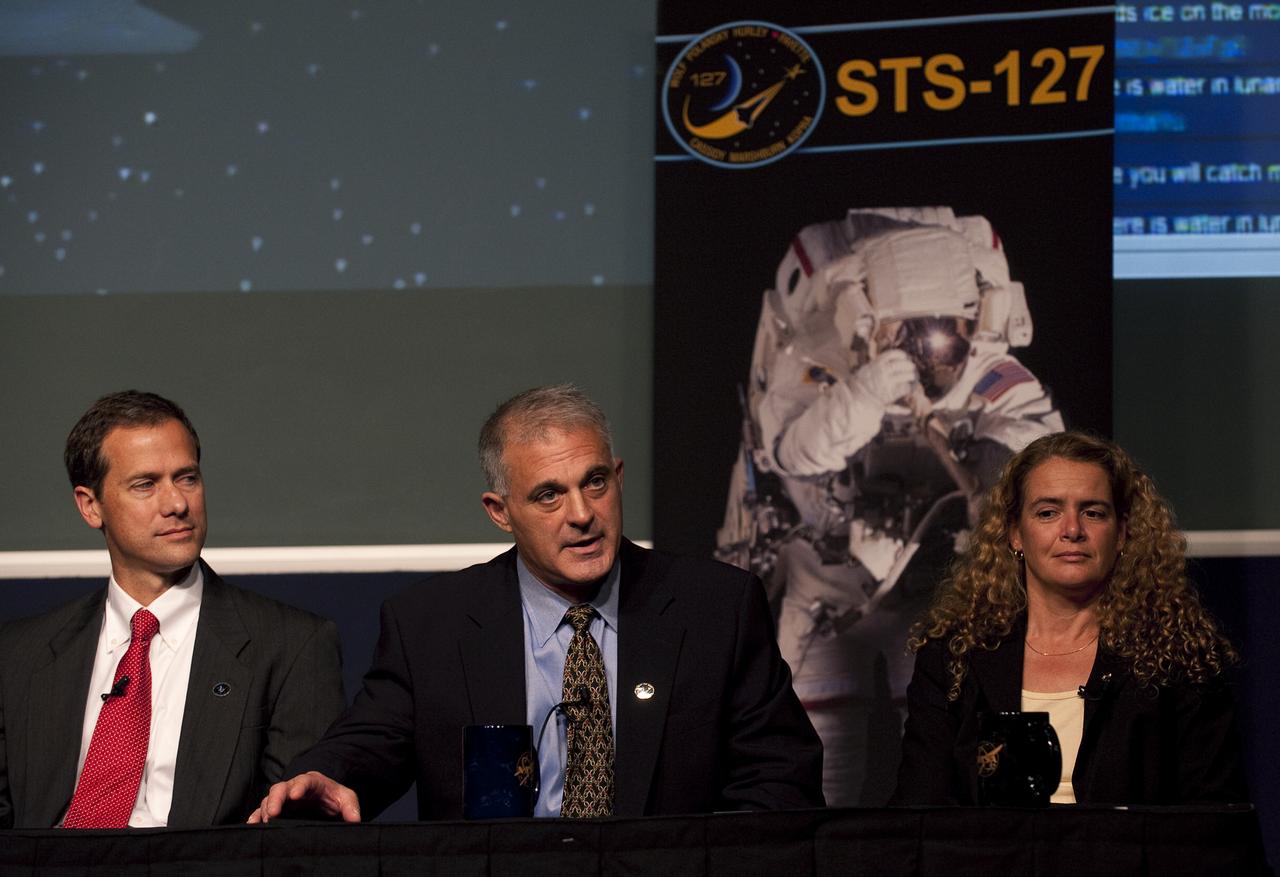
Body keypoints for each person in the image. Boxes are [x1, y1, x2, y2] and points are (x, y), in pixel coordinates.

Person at [251, 384, 823, 822]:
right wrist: (324, 774)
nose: (581, 514)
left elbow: (780, 778)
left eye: (594, 482)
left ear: (619, 479)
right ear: (499, 511)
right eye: (549, 495)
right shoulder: (433, 624)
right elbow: (372, 741)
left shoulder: (715, 607)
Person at [716, 207, 1063, 805]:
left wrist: (997, 466)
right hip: (826, 585)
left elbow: (1037, 438)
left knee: (935, 748)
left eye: (943, 329)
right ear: (865, 321)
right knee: (817, 760)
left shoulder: (984, 366)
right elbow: (794, 453)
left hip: (926, 591)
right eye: (906, 331)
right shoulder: (817, 358)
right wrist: (866, 391)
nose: (927, 349)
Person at [0, 391, 344, 828]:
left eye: (187, 478)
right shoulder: (17, 656)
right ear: (91, 506)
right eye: (146, 484)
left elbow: (293, 840)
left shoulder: (293, 646)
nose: (177, 504)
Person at [892, 431, 1246, 805]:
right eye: (1048, 512)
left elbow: (1214, 823)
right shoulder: (954, 656)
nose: (1073, 530)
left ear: (1122, 533)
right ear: (1014, 533)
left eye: (1093, 512)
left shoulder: (1177, 658)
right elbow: (919, 814)